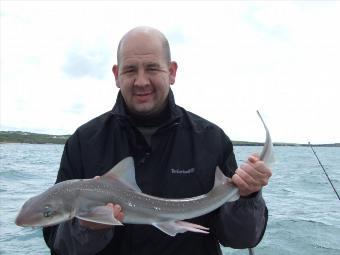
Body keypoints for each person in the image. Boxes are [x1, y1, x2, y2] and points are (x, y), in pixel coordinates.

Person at [43, 26, 272, 255]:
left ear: (172, 72)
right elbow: (58, 242)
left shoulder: (211, 140)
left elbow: (241, 238)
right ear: (116, 75)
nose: (141, 81)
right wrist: (88, 229)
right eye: (131, 70)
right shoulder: (83, 143)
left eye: (152, 68)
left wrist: (248, 197)